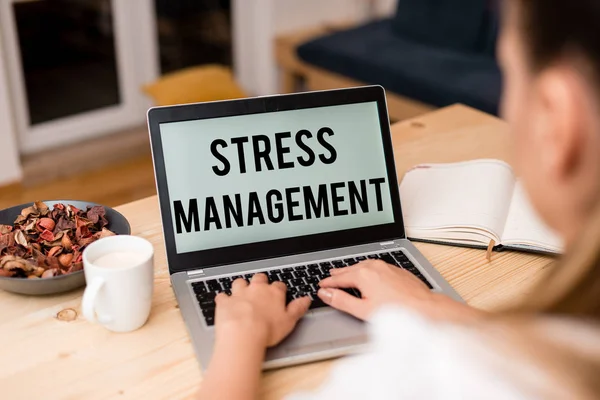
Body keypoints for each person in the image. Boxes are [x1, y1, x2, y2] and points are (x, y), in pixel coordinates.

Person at [198, 0, 600, 398]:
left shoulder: (425, 376)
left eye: (509, 73)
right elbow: (550, 347)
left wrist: (240, 336)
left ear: (557, 118)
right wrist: (432, 306)